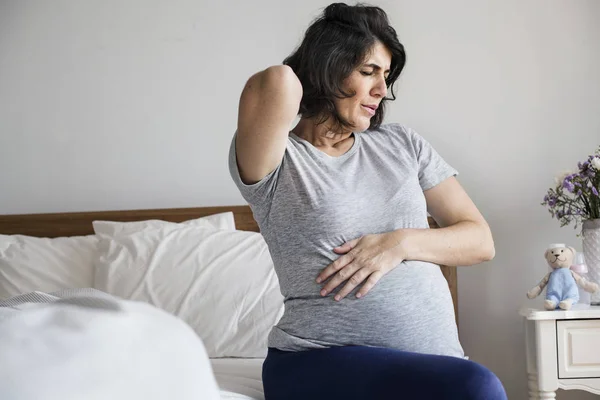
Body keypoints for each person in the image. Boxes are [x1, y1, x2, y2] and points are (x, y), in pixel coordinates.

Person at [228, 3, 507, 399]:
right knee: (478, 385)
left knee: (469, 382)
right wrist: (316, 66)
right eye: (367, 72)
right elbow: (276, 81)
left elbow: (481, 241)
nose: (382, 90)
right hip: (316, 360)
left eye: (386, 76)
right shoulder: (278, 161)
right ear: (329, 66)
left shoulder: (402, 144)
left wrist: (400, 242)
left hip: (435, 367)